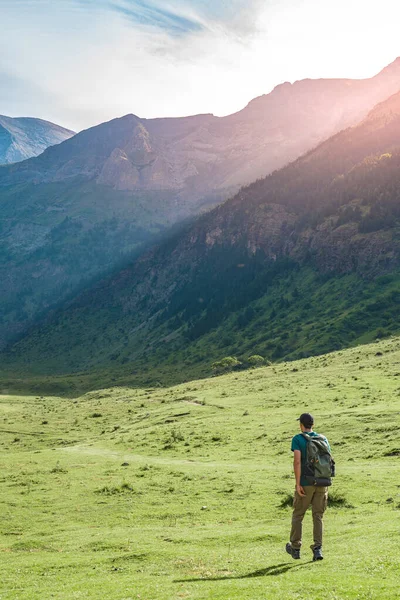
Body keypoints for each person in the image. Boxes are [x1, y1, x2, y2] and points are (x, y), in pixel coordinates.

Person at [285, 413, 331, 561]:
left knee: (298, 515)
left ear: (301, 425)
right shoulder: (323, 439)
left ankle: (295, 548)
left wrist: (298, 484)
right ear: (313, 425)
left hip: (306, 483)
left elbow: (297, 462)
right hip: (323, 482)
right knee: (318, 516)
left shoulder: (297, 439)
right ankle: (318, 549)